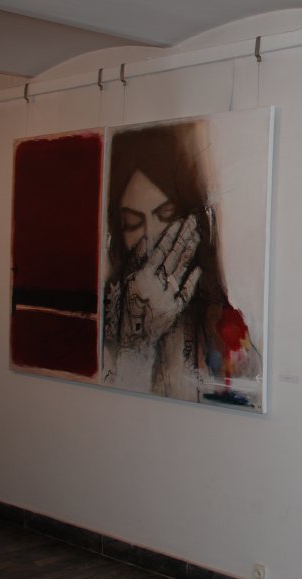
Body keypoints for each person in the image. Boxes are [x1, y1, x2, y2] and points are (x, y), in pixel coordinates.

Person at [101, 121, 260, 408]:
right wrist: (137, 342)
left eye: (166, 216)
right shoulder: (105, 324)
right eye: (132, 223)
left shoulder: (226, 330)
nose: (150, 239)